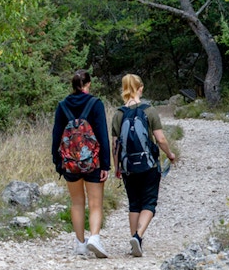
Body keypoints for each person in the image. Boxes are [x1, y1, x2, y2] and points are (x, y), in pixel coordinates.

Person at [112, 73, 175, 257]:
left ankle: (134, 240)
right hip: (148, 165)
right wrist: (169, 154)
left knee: (134, 203)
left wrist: (117, 167)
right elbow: (160, 138)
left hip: (128, 167)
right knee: (149, 202)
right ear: (140, 88)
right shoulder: (150, 110)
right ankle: (138, 237)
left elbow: (115, 145)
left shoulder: (118, 114)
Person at [52, 69, 111, 258]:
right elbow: (102, 135)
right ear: (88, 84)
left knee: (77, 203)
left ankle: (80, 243)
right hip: (93, 162)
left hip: (69, 163)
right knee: (95, 203)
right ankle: (94, 237)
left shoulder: (62, 106)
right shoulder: (95, 104)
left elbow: (56, 136)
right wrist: (106, 164)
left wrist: (58, 161)